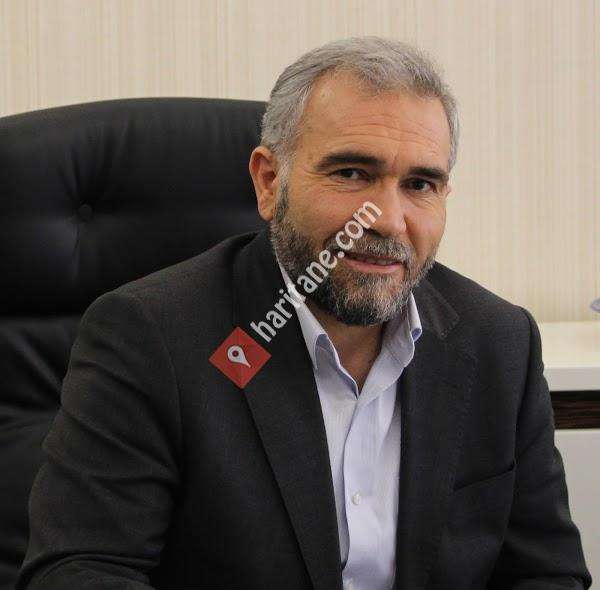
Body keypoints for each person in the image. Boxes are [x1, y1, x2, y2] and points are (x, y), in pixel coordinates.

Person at [17, 37, 592, 590]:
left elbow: (546, 573)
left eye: (420, 184)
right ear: (270, 182)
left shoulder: (499, 342)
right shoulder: (149, 336)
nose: (387, 220)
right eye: (351, 173)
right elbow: (77, 571)